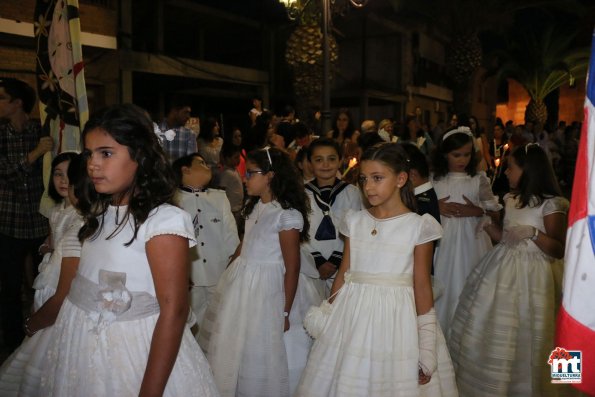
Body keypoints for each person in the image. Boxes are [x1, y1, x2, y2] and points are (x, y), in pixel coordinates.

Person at [39, 104, 219, 396]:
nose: (93, 165)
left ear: (140, 156)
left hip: (133, 349)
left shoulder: (163, 221)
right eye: (89, 154)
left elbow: (174, 311)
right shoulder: (98, 213)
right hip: (82, 343)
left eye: (106, 153)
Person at [296, 143, 458, 397]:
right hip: (352, 314)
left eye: (377, 178)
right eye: (363, 179)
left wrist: (426, 344)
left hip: (398, 318)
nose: (368, 186)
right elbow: (344, 274)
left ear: (400, 179)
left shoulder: (419, 226)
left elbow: (422, 286)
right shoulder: (355, 221)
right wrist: (327, 314)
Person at [448, 144, 570, 397]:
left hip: (540, 275)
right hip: (505, 271)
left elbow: (558, 248)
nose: (505, 173)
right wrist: (487, 227)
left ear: (527, 170)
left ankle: (563, 386)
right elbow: (507, 239)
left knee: (546, 334)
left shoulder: (553, 204)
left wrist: (534, 233)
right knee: (507, 338)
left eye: (510, 168)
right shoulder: (511, 199)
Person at [198, 147, 310, 397]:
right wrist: (232, 267)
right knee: (241, 344)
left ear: (270, 175)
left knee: (269, 347)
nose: (245, 178)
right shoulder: (255, 206)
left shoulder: (286, 215)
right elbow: (246, 243)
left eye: (250, 173)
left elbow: (292, 267)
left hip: (271, 289)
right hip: (244, 285)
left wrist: (285, 311)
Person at [0, 153, 84, 396]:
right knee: (41, 314)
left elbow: (73, 247)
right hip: (48, 272)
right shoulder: (57, 210)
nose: (63, 180)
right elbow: (53, 238)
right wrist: (46, 247)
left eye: (70, 175)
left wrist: (57, 248)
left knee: (52, 334)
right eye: (57, 174)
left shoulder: (81, 214)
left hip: (63, 275)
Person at [0, 78, 53, 352]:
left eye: (2, 98)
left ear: (17, 103)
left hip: (38, 221)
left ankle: (39, 338)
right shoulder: (1, 134)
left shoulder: (39, 129)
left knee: (43, 283)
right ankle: (11, 344)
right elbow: (6, 172)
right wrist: (35, 154)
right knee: (8, 288)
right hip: (8, 222)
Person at [431, 126, 501, 331]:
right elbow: (417, 208)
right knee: (443, 282)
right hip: (443, 240)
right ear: (444, 154)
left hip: (472, 239)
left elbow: (495, 215)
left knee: (469, 283)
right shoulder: (434, 179)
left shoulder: (478, 179)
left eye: (467, 154)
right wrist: (437, 207)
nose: (463, 160)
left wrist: (477, 211)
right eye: (456, 155)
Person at [172, 153, 239, 328]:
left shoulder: (219, 197)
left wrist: (233, 265)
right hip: (190, 276)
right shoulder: (173, 200)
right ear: (185, 169)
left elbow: (230, 233)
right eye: (201, 163)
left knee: (221, 323)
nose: (207, 166)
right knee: (192, 324)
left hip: (218, 271)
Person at [304, 138, 363, 295]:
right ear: (310, 163)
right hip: (309, 267)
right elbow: (298, 231)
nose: (325, 165)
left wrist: (336, 260)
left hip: (342, 266)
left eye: (331, 159)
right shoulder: (301, 194)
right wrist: (317, 259)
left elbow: (356, 230)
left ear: (340, 161)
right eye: (318, 160)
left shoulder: (353, 193)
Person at [158, 96, 197, 162]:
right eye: (185, 112)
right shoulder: (155, 132)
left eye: (189, 113)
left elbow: (192, 163)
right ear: (174, 111)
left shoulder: (189, 135)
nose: (188, 117)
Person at [218, 144, 245, 226]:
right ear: (227, 159)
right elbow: (221, 190)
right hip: (231, 208)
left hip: (237, 206)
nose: (238, 160)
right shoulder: (227, 173)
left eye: (238, 157)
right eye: (235, 157)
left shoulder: (234, 170)